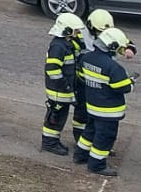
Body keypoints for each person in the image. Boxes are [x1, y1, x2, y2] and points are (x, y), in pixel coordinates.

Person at [76, 26, 135, 176]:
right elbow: (124, 88)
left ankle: (80, 155)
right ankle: (96, 165)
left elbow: (81, 77)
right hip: (108, 111)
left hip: (92, 106)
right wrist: (131, 82)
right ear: (112, 46)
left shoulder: (86, 58)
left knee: (89, 132)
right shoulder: (114, 67)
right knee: (105, 138)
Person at [41, 12, 86, 155]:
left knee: (60, 116)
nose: (78, 33)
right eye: (76, 30)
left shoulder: (66, 43)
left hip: (63, 90)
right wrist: (65, 86)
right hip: (58, 91)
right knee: (55, 118)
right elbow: (52, 70)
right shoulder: (58, 47)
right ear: (67, 30)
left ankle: (53, 141)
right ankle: (49, 143)